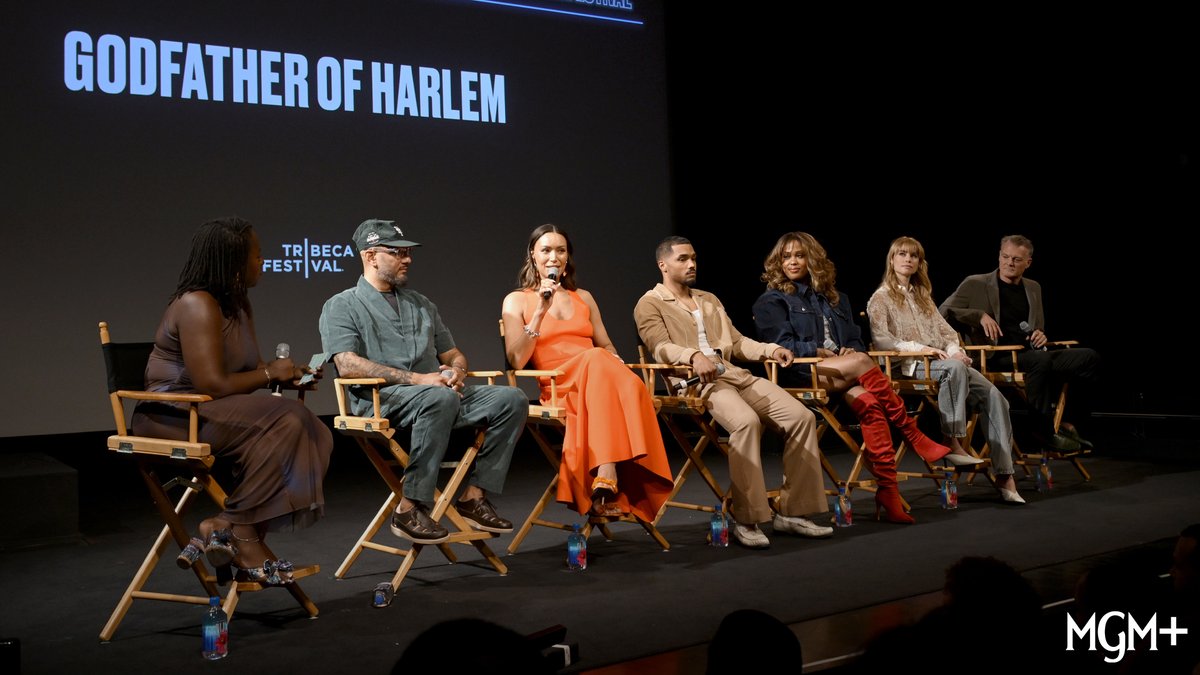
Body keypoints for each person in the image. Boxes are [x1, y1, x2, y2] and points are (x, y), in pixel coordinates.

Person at [132, 217, 333, 585]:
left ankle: (226, 524)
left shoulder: (237, 304)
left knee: (316, 431)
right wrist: (271, 373)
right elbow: (212, 381)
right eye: (257, 256)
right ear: (232, 262)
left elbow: (248, 367)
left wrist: (289, 373)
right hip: (172, 415)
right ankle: (242, 535)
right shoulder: (196, 304)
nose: (263, 262)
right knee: (288, 419)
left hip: (209, 409)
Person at [319, 219, 525, 545]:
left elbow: (454, 353)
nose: (408, 259)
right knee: (438, 399)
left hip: (435, 395)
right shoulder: (341, 305)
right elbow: (346, 364)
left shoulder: (421, 304)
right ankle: (410, 506)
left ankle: (474, 496)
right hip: (380, 399)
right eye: (397, 252)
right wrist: (418, 379)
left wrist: (455, 371)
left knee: (511, 398)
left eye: (408, 253)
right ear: (371, 256)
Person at [752, 232, 980, 524]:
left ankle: (888, 491)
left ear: (814, 259)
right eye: (786, 256)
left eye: (800, 255)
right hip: (804, 373)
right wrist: (820, 351)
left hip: (843, 372)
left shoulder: (836, 299)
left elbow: (857, 342)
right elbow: (779, 349)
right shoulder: (772, 300)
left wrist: (850, 350)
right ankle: (913, 434)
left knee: (871, 402)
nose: (793, 262)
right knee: (861, 362)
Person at [634, 235, 834, 548]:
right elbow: (660, 348)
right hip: (696, 382)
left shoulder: (708, 299)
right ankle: (748, 518)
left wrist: (770, 350)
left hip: (734, 375)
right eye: (683, 259)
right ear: (663, 265)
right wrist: (693, 356)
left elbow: (737, 342)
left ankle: (793, 512)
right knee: (746, 422)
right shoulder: (650, 303)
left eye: (694, 258)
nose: (691, 264)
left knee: (801, 416)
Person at [501, 224, 673, 520]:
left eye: (560, 250)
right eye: (546, 250)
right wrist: (541, 309)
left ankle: (608, 474)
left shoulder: (585, 297)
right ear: (533, 255)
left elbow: (607, 347)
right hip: (561, 385)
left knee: (623, 377)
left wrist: (616, 364)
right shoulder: (517, 300)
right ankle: (606, 467)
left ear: (568, 257)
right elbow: (516, 360)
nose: (553, 257)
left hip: (598, 382)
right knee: (595, 358)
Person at [866, 236, 1025, 504]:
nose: (908, 259)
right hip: (909, 367)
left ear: (919, 262)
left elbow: (948, 333)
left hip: (943, 365)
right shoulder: (880, 298)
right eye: (902, 254)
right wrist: (923, 349)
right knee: (953, 369)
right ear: (892, 260)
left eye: (913, 256)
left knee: (996, 397)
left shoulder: (923, 297)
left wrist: (954, 351)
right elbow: (882, 340)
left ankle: (1005, 474)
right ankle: (952, 439)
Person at [939, 234, 1101, 452]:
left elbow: (1036, 326)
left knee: (1089, 357)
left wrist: (1040, 334)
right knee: (1040, 361)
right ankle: (1042, 431)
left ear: (1028, 262)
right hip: (996, 356)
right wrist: (977, 315)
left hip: (1031, 354)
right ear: (999, 256)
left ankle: (1067, 422)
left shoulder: (1033, 287)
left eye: (1016, 259)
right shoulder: (975, 283)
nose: (1009, 263)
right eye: (1005, 257)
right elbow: (941, 314)